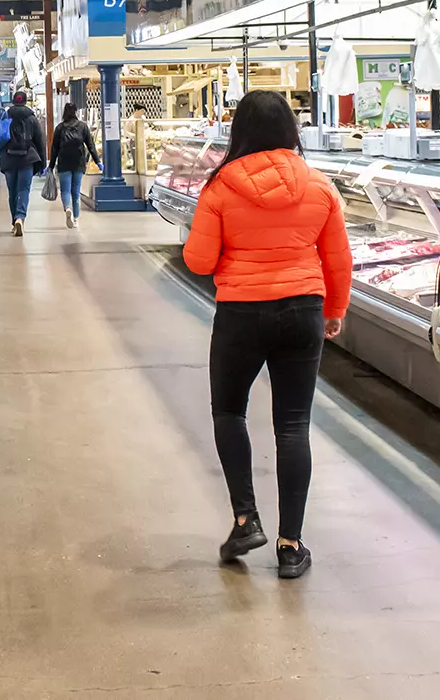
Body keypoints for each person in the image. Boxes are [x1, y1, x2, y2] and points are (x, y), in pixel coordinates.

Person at [182, 89, 351, 580]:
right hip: (304, 311)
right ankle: (291, 544)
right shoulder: (319, 187)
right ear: (291, 130)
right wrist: (334, 309)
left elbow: (198, 260)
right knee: (293, 426)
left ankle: (245, 519)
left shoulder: (220, 188)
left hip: (241, 312)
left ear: (240, 132)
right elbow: (338, 258)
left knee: (229, 411)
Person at [0, 89, 46, 236]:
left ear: (13, 100)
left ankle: (14, 221)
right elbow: (40, 141)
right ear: (25, 101)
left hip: (8, 158)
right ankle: (20, 217)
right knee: (23, 190)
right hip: (27, 159)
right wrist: (42, 163)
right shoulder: (32, 118)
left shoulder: (5, 116)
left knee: (12, 191)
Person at [47, 103, 100, 228]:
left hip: (64, 162)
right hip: (78, 162)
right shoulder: (83, 126)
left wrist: (51, 165)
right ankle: (76, 219)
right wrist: (98, 161)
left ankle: (67, 208)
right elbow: (90, 145)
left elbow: (54, 148)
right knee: (76, 191)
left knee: (65, 190)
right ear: (75, 112)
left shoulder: (60, 128)